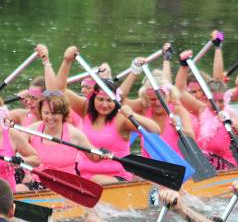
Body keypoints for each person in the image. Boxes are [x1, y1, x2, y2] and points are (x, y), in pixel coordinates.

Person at [54, 46, 160, 184]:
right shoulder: (85, 108)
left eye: (109, 100)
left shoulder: (121, 119)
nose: (104, 105)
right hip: (84, 177)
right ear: (93, 98)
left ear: (115, 101)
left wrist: (133, 115)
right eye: (100, 100)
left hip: (115, 178)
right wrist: (67, 61)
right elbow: (58, 90)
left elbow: (155, 130)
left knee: (96, 180)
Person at [16, 92, 94, 189]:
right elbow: (14, 149)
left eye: (55, 113)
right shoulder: (32, 130)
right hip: (38, 182)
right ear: (41, 112)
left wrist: (103, 154)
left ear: (63, 113)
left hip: (66, 185)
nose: (50, 118)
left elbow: (94, 157)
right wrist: (26, 171)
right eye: (46, 113)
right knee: (19, 188)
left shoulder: (74, 134)